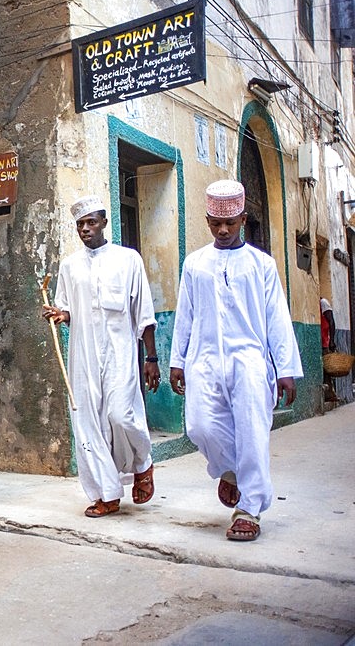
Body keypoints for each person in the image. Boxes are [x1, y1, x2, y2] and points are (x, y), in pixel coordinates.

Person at [169, 179, 304, 542]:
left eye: (230, 222)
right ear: (208, 221)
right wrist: (177, 360)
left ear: (243, 219)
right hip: (204, 359)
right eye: (215, 223)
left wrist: (286, 369)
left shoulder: (262, 265)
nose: (223, 229)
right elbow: (185, 315)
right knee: (200, 427)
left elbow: (277, 317)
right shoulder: (195, 264)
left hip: (249, 360)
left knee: (252, 432)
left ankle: (250, 509)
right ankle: (231, 472)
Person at [42, 195, 160, 518]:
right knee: (88, 423)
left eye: (91, 222)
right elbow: (67, 309)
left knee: (122, 414)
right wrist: (59, 315)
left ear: (105, 222)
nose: (85, 229)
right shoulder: (69, 266)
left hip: (120, 353)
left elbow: (144, 313)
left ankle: (143, 462)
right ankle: (106, 494)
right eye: (80, 224)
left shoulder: (128, 260)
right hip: (84, 355)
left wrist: (151, 358)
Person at [321, 297, 338, 401]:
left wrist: (331, 340)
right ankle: (329, 394)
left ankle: (330, 394)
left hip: (325, 342)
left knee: (327, 369)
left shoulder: (323, 302)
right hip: (322, 340)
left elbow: (331, 321)